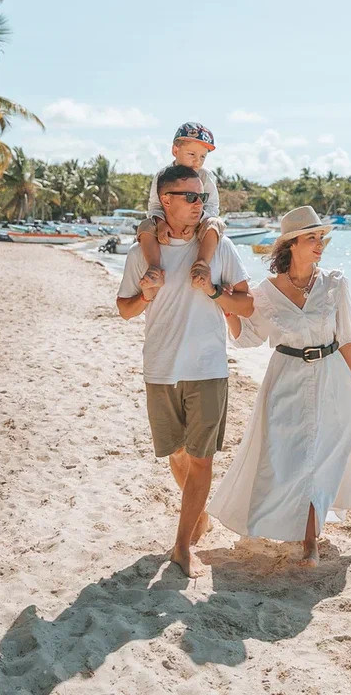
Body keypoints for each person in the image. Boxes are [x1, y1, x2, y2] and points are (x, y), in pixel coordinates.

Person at [208, 206, 351, 568]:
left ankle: (310, 543)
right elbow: (249, 337)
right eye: (311, 239)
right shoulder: (265, 293)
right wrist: (226, 308)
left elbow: (346, 339)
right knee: (283, 458)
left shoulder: (335, 283)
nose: (319, 245)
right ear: (290, 245)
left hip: (330, 377)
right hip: (285, 378)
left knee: (316, 460)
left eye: (320, 238)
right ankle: (276, 522)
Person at [116, 164, 254, 577]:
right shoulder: (142, 254)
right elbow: (124, 310)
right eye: (190, 197)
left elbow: (246, 306)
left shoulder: (220, 249)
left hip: (209, 369)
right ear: (166, 201)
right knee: (176, 454)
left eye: (201, 197)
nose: (199, 204)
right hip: (160, 369)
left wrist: (213, 290)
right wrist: (145, 294)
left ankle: (181, 546)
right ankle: (200, 517)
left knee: (202, 459)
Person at [137, 122, 224, 301]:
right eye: (191, 154)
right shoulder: (163, 176)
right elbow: (154, 206)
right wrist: (160, 224)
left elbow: (212, 207)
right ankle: (154, 269)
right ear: (175, 150)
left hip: (199, 222)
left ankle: (201, 266)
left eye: (202, 157)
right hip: (168, 222)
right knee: (145, 226)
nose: (197, 161)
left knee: (216, 224)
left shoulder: (205, 176)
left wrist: (195, 225)